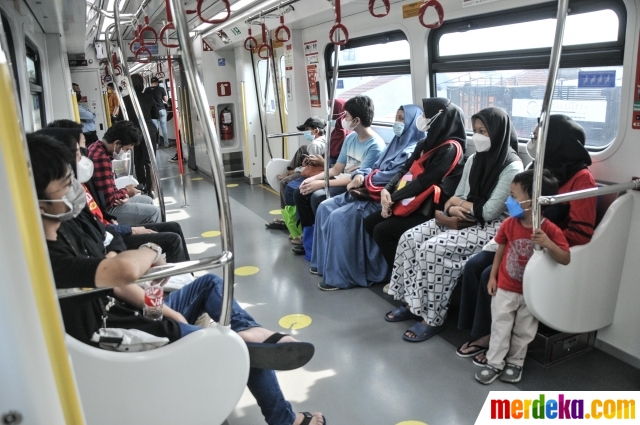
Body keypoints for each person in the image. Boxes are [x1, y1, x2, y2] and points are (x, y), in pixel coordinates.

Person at [29, 133, 326, 425]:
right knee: (243, 351)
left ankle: (251, 332)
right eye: (65, 186)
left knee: (210, 285)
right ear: (39, 202)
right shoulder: (46, 258)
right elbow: (122, 271)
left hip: (133, 312)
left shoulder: (71, 225)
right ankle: (283, 416)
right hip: (119, 335)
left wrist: (165, 310)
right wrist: (151, 249)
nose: (74, 190)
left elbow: (117, 274)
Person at [457, 114, 597, 364]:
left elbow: (581, 232)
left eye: (536, 138)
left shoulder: (581, 179)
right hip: (519, 232)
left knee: (491, 273)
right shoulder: (537, 166)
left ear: (554, 142)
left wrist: (544, 240)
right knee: (474, 265)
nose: (531, 143)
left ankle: (491, 336)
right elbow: (519, 206)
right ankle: (478, 329)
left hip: (544, 243)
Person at [385, 107, 523, 342]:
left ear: (498, 132)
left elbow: (489, 212)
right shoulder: (474, 160)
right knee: (409, 238)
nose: (478, 136)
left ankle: (433, 318)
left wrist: (458, 204)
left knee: (432, 249)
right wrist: (455, 206)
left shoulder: (512, 166)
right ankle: (412, 302)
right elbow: (456, 196)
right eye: (475, 130)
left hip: (492, 226)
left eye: (484, 131)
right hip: (463, 216)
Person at [310, 103, 425, 290]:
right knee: (324, 207)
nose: (397, 123)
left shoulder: (411, 150)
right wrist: (360, 174)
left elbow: (390, 176)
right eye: (396, 118)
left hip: (381, 197)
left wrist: (365, 178)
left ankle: (341, 275)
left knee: (338, 217)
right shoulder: (393, 144)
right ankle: (324, 265)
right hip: (367, 188)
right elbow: (375, 166)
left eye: (402, 119)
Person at [38, 126, 189, 262]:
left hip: (108, 226)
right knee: (159, 220)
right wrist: (126, 197)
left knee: (171, 224)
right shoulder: (97, 164)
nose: (85, 156)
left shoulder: (80, 183)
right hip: (109, 230)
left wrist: (121, 198)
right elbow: (106, 205)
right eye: (79, 153)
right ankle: (155, 249)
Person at [475, 170, 570, 384]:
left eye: (513, 196)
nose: (509, 201)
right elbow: (500, 249)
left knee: (524, 330)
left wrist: (548, 243)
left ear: (534, 201)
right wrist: (493, 276)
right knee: (500, 326)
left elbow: (565, 258)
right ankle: (494, 362)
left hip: (531, 292)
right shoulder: (509, 224)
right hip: (505, 286)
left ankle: (515, 362)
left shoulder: (549, 230)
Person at [364, 98, 467, 278]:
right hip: (411, 198)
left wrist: (393, 198)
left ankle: (402, 279)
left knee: (382, 231)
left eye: (426, 114)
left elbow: (424, 182)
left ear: (438, 118)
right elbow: (405, 169)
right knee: (370, 222)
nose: (422, 117)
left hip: (430, 207)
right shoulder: (425, 143)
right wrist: (387, 189)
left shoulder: (450, 149)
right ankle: (398, 273)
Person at [293, 95, 385, 258]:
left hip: (354, 185)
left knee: (317, 197)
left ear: (356, 120)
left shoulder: (375, 145)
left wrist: (321, 184)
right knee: (300, 192)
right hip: (341, 178)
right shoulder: (350, 138)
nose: (344, 120)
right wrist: (312, 179)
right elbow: (336, 169)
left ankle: (323, 243)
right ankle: (310, 241)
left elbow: (357, 178)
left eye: (346, 116)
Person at [87, 120, 161, 225]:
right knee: (154, 212)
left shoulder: (95, 147)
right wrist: (126, 191)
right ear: (117, 143)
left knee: (147, 200)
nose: (125, 153)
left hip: (101, 203)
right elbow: (109, 201)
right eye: (126, 149)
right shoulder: (102, 159)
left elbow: (108, 189)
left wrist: (123, 195)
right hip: (106, 211)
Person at [122, 73, 159, 194]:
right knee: (149, 161)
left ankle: (141, 185)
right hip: (149, 131)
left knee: (137, 160)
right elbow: (156, 115)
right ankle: (150, 188)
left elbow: (122, 118)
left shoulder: (125, 99)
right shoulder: (148, 97)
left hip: (134, 132)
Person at [144, 77, 169, 147]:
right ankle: (166, 144)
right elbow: (166, 100)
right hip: (161, 110)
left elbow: (145, 100)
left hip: (153, 112)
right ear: (157, 82)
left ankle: (156, 145)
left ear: (151, 82)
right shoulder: (161, 89)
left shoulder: (147, 90)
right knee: (164, 127)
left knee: (155, 129)